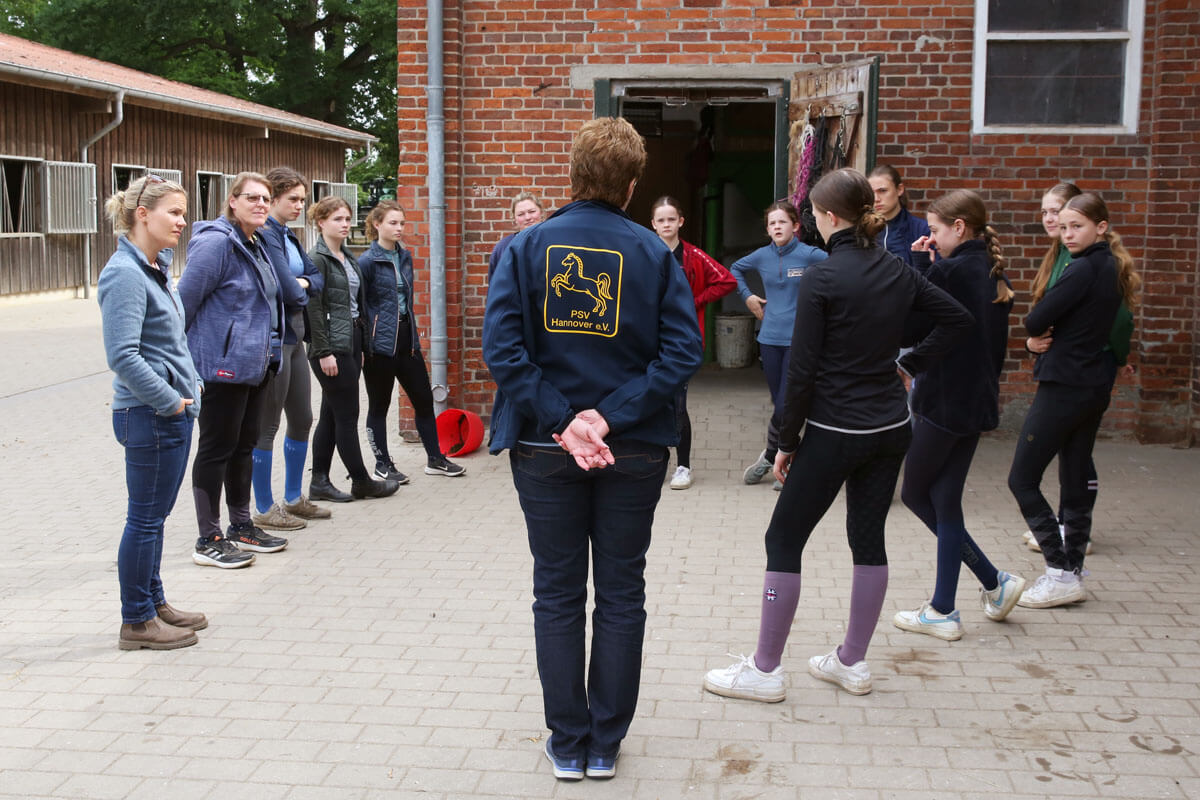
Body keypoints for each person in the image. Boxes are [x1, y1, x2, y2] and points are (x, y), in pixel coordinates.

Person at [483, 117, 701, 781]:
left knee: (556, 592)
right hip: (631, 447)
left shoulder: (525, 248)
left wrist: (563, 420)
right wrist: (607, 418)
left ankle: (569, 742)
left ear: (573, 175)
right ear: (632, 185)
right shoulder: (655, 254)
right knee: (621, 591)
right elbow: (682, 352)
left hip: (545, 447)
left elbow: (504, 351)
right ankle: (604, 743)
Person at [702, 168, 971, 702]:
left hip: (834, 431)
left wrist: (784, 441)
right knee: (867, 539)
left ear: (826, 218)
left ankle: (766, 670)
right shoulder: (896, 267)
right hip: (892, 428)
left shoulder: (823, 277)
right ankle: (851, 662)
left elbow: (799, 374)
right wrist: (910, 363)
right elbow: (958, 319)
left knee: (783, 539)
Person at [890, 190, 1026, 642]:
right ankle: (975, 592)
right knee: (946, 502)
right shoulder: (990, 271)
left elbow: (917, 325)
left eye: (935, 230)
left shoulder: (951, 270)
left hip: (944, 401)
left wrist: (919, 269)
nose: (930, 236)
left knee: (914, 494)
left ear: (960, 228)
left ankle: (962, 598)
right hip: (976, 402)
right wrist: (929, 266)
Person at [1008, 192, 1139, 608]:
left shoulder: (1084, 269)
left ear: (1101, 227)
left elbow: (1034, 319)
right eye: (1063, 227)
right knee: (1075, 476)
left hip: (1066, 385)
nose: (1067, 234)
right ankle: (1073, 571)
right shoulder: (1109, 265)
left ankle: (1060, 572)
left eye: (1076, 226)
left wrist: (1035, 337)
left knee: (1022, 478)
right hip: (1090, 384)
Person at [99, 174, 207, 649]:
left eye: (184, 213)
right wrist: (170, 399)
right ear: (142, 214)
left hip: (171, 412)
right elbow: (122, 355)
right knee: (144, 519)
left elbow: (172, 343)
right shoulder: (124, 273)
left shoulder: (154, 267)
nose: (182, 222)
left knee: (155, 518)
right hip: (150, 414)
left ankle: (154, 601)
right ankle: (137, 621)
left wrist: (193, 385)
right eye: (174, 213)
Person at [179, 172, 289, 569]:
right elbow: (183, 305)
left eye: (265, 198)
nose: (261, 204)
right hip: (222, 368)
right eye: (252, 198)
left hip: (256, 366)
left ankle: (241, 525)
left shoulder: (255, 243)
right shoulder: (216, 244)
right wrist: (182, 363)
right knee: (216, 448)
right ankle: (207, 537)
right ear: (232, 201)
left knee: (244, 447)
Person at [359, 200, 466, 482]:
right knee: (379, 406)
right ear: (377, 224)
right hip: (379, 346)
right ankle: (383, 464)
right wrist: (364, 344)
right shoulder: (367, 262)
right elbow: (360, 307)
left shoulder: (404, 257)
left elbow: (404, 301)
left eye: (402, 223)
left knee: (423, 399)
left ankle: (435, 459)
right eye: (392, 223)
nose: (399, 228)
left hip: (407, 340)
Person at [305, 196, 401, 501]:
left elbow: (354, 307)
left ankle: (319, 481)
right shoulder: (317, 259)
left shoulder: (346, 256)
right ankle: (361, 480)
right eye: (337, 219)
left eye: (347, 219)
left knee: (331, 415)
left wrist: (360, 345)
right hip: (331, 348)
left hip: (350, 343)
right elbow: (314, 310)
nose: (345, 224)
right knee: (347, 415)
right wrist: (324, 352)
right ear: (321, 222)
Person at [249, 167, 329, 531]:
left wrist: (303, 283)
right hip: (277, 338)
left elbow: (316, 278)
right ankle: (264, 506)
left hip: (297, 335)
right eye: (292, 199)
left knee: (302, 418)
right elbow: (291, 290)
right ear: (275, 198)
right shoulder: (265, 235)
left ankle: (294, 498)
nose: (299, 205)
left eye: (302, 199)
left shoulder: (291, 237)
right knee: (267, 424)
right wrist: (302, 284)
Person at [730, 200, 827, 489]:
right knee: (781, 404)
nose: (776, 227)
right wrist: (748, 296)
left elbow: (838, 271)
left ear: (795, 226)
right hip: (769, 340)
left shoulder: (810, 255)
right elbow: (734, 269)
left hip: (800, 341)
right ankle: (786, 459)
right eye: (772, 223)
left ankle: (773, 455)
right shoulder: (761, 257)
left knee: (788, 403)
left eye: (782, 222)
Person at [649, 195, 736, 490]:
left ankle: (683, 466)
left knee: (677, 403)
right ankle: (655, 461)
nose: (666, 224)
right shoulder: (644, 253)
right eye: (660, 220)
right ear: (653, 224)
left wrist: (695, 302)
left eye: (671, 219)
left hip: (683, 342)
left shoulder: (694, 256)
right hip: (648, 341)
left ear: (680, 222)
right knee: (650, 400)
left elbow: (726, 280)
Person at [868, 165, 930, 267]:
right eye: (871, 192)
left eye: (882, 191)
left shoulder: (922, 230)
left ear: (899, 189)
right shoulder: (862, 231)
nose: (876, 199)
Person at [488, 191, 544, 280]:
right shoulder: (503, 247)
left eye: (532, 211)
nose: (528, 217)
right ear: (514, 219)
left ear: (541, 212)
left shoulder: (552, 242)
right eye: (521, 214)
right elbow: (495, 285)